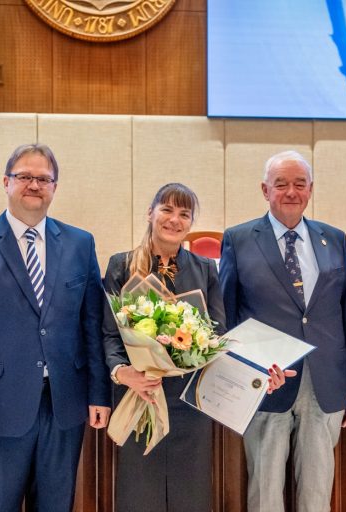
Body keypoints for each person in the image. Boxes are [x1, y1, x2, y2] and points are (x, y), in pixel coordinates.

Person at [0, 143, 111, 512]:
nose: (34, 185)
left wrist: (99, 393)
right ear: (6, 182)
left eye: (44, 179)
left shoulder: (80, 243)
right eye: (25, 177)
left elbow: (92, 324)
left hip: (64, 406)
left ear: (55, 187)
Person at [103, 182, 290, 512]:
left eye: (184, 213)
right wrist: (123, 373)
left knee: (189, 495)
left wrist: (259, 376)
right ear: (150, 213)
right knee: (139, 494)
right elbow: (109, 334)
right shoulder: (122, 265)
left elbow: (218, 338)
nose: (174, 220)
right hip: (140, 394)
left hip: (191, 399)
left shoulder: (205, 268)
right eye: (167, 210)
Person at [219, 150, 346, 512]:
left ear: (311, 189)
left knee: (317, 490)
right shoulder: (238, 239)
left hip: (325, 380)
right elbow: (226, 316)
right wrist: (239, 376)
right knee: (265, 489)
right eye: (281, 184)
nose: (291, 192)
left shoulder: (333, 238)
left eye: (300, 184)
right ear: (265, 190)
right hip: (266, 381)